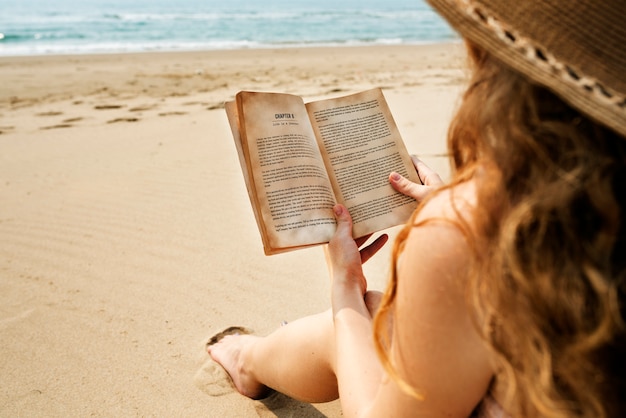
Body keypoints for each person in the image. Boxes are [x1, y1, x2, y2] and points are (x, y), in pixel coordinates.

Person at [208, 0, 626, 416]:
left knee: (367, 319)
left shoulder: (466, 233)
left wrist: (344, 287)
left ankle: (248, 360)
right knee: (392, 321)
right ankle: (251, 359)